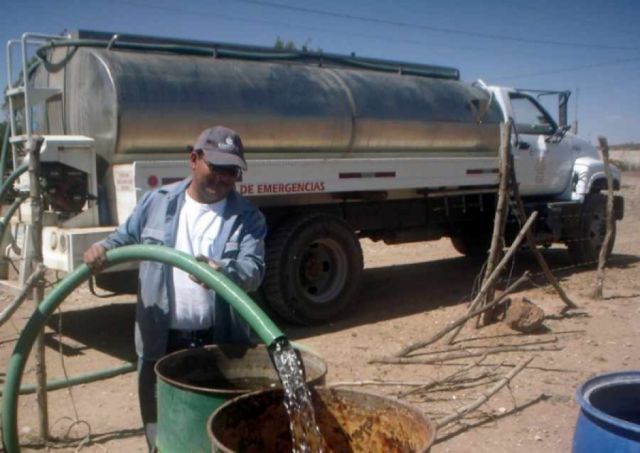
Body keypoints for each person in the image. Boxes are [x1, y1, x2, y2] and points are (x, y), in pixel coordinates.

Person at [83, 126, 266, 451]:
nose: (224, 178)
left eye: (232, 171)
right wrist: (101, 249)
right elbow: (123, 239)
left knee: (219, 429)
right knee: (160, 427)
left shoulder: (247, 217)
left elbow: (254, 271)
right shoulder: (157, 202)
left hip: (220, 343)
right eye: (218, 167)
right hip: (161, 340)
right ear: (194, 160)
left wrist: (223, 272)